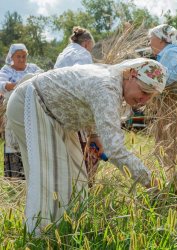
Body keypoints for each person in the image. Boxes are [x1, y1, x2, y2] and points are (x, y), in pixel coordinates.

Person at [6, 58, 167, 233]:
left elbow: (87, 103)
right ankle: (43, 236)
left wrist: (95, 136)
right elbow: (116, 150)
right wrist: (150, 181)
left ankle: (68, 231)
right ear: (132, 74)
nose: (144, 100)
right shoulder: (106, 88)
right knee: (52, 177)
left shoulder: (113, 82)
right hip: (30, 105)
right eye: (143, 91)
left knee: (76, 179)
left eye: (150, 96)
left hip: (54, 115)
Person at [148, 24, 177, 169]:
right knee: (170, 137)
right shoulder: (171, 51)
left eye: (151, 39)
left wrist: (156, 85)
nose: (149, 43)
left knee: (169, 137)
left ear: (161, 39)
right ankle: (171, 169)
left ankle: (170, 170)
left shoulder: (170, 52)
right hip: (176, 99)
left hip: (175, 100)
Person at [54, 26, 96, 185]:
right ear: (86, 44)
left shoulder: (64, 53)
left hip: (57, 106)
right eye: (90, 48)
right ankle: (83, 185)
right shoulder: (82, 54)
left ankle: (70, 183)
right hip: (73, 108)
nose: (90, 52)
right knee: (80, 148)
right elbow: (84, 82)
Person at [0, 43, 42, 178]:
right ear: (12, 57)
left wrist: (21, 84)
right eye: (18, 56)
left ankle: (34, 176)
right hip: (12, 110)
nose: (22, 59)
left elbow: (43, 77)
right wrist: (12, 85)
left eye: (24, 56)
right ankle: (16, 178)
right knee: (14, 141)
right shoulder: (6, 70)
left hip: (32, 110)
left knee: (32, 140)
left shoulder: (33, 68)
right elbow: (2, 84)